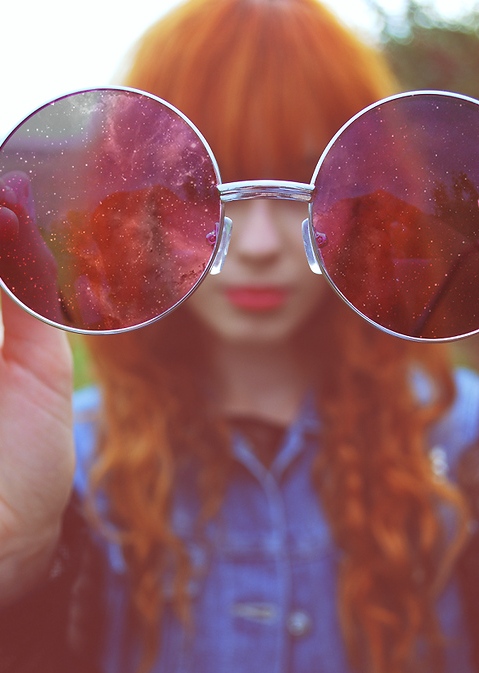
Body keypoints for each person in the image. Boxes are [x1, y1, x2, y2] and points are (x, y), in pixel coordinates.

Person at [1, 0, 479, 672]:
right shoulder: (67, 468)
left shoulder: (461, 447)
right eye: (199, 185)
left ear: (373, 197)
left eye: (314, 180)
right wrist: (18, 567)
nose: (258, 245)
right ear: (134, 204)